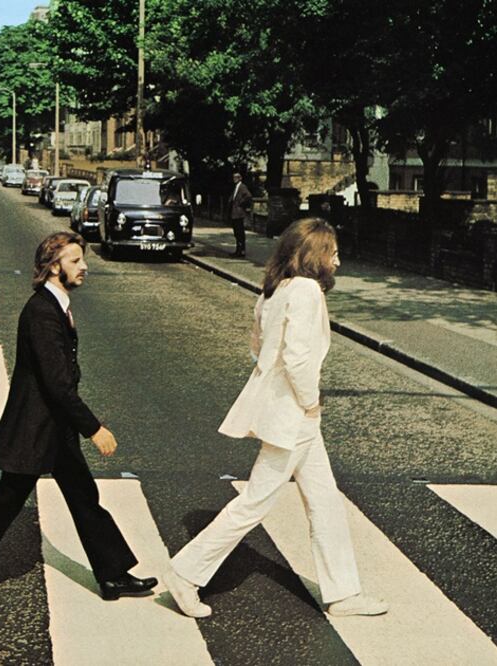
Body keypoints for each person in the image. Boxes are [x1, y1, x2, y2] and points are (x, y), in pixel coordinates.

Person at [163, 218, 388, 619]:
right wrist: (309, 400)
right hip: (295, 417)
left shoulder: (274, 290)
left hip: (292, 416)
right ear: (315, 256)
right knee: (253, 503)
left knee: (325, 503)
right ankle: (186, 572)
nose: (338, 260)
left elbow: (257, 347)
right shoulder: (305, 291)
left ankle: (342, 593)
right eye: (332, 252)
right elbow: (298, 358)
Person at [0, 232, 157, 609]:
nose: (83, 267)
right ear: (54, 267)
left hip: (53, 429)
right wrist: (94, 428)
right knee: (5, 503)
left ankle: (113, 573)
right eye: (74, 261)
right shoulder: (41, 312)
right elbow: (57, 385)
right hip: (36, 430)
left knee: (85, 497)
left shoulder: (55, 306)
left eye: (82, 259)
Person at [228, 171, 252, 257]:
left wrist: (241, 204)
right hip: (235, 214)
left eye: (236, 177)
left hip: (239, 213)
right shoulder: (236, 187)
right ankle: (238, 250)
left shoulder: (242, 187)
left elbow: (248, 196)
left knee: (240, 233)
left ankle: (241, 251)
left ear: (240, 178)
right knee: (237, 233)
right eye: (234, 177)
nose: (235, 179)